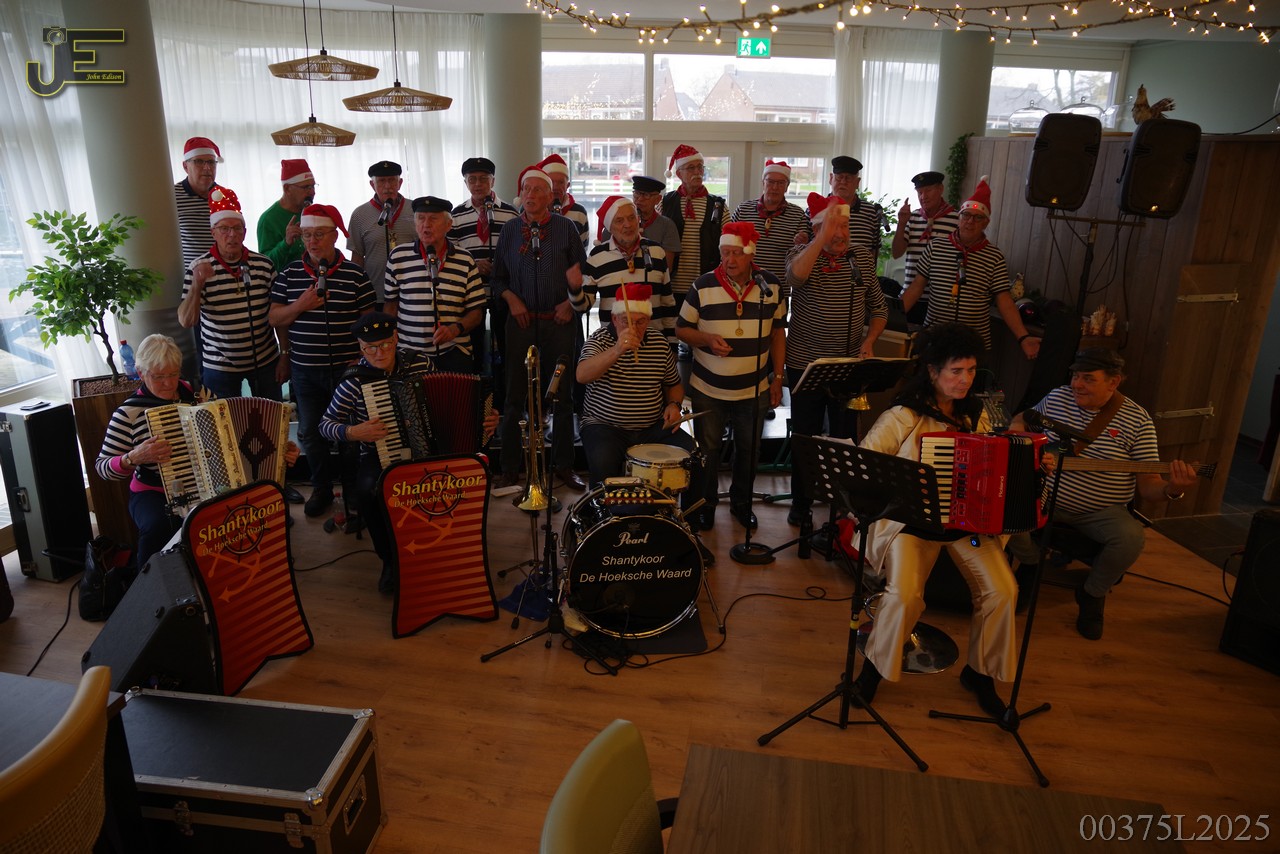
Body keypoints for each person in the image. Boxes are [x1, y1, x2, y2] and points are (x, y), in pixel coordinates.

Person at [851, 323, 1017, 720]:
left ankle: (980, 675)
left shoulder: (975, 417)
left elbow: (990, 467)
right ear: (932, 371)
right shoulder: (903, 416)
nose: (965, 380)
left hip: (964, 525)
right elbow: (864, 467)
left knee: (1003, 590)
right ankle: (871, 672)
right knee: (905, 594)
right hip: (911, 525)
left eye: (971, 370)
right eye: (956, 371)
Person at [1008, 348, 1199, 640]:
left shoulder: (1138, 421)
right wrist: (1017, 427)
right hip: (1044, 496)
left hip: (1100, 510)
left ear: (1114, 382)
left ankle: (1092, 593)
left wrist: (1174, 489)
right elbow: (1026, 416)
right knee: (1006, 507)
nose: (1076, 384)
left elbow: (1149, 486)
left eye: (1088, 379)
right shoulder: (1058, 397)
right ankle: (1031, 564)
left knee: (1131, 538)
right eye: (1075, 376)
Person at [318, 313, 497, 594]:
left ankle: (452, 548)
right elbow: (325, 425)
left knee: (469, 476)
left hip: (430, 450)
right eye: (370, 348)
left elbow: (449, 401)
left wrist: (485, 419)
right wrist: (354, 432)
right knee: (367, 491)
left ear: (396, 338)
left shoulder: (420, 362)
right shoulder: (354, 382)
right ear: (361, 348)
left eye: (385, 344)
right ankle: (390, 560)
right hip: (378, 454)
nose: (379, 353)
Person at [94, 334, 299, 570]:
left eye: (173, 374)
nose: (168, 383)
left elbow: (232, 433)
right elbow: (103, 468)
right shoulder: (128, 414)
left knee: (243, 512)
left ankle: (246, 570)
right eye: (158, 376)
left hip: (209, 485)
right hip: (154, 492)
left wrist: (278, 449)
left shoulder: (199, 395)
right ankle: (147, 582)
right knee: (157, 527)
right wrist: (133, 457)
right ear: (140, 373)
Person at [577, 285, 710, 563]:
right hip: (605, 424)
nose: (634, 327)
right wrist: (617, 350)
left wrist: (673, 405)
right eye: (627, 321)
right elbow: (582, 375)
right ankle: (603, 529)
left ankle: (689, 530)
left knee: (694, 458)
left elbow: (674, 385)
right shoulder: (599, 339)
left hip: (651, 426)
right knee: (603, 462)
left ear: (648, 321)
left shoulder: (659, 343)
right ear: (615, 319)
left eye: (640, 321)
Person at [784, 193, 888, 526]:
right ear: (817, 228)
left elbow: (879, 307)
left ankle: (841, 508)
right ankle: (801, 504)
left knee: (844, 439)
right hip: (805, 363)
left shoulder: (860, 258)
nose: (841, 233)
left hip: (847, 366)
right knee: (806, 436)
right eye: (833, 226)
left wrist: (869, 340)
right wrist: (821, 239)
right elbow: (795, 277)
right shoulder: (801, 253)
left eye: (845, 225)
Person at [675, 222, 785, 531]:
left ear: (751, 254)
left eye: (736, 253)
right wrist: (706, 340)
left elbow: (778, 334)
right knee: (707, 452)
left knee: (749, 452)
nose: (729, 260)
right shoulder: (702, 286)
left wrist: (777, 378)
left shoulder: (770, 286)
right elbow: (681, 329)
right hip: (708, 388)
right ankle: (705, 506)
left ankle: (742, 504)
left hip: (754, 389)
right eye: (725, 253)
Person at [270, 202, 376, 518]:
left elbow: (368, 321)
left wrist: (362, 360)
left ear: (334, 236)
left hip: (348, 372)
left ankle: (352, 489)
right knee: (311, 433)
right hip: (305, 370)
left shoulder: (356, 274)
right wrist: (300, 305)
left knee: (349, 433)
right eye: (306, 235)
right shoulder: (289, 275)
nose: (312, 241)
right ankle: (321, 489)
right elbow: (274, 318)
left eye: (319, 234)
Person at [491, 164, 591, 492]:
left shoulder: (566, 228)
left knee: (562, 397)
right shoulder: (509, 230)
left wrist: (569, 304)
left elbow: (583, 274)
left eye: (538, 190)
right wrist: (512, 300)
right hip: (520, 324)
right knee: (514, 396)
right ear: (520, 195)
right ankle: (509, 468)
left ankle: (563, 465)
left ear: (551, 196)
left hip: (558, 323)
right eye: (526, 189)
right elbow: (498, 279)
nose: (530, 195)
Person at [901, 177, 1040, 362]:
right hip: (935, 338)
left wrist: (1023, 337)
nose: (970, 221)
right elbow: (916, 288)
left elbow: (1004, 300)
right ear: (959, 218)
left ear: (986, 223)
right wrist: (889, 319)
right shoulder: (935, 247)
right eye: (966, 215)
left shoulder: (994, 257)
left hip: (973, 343)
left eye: (978, 217)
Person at [178, 187, 287, 400]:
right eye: (224, 229)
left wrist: (284, 354)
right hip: (219, 366)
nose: (232, 235)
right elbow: (186, 320)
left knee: (272, 415)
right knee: (225, 419)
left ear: (244, 232)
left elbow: (279, 315)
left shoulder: (263, 265)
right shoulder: (198, 267)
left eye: (237, 228)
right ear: (213, 233)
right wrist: (197, 285)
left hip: (265, 360)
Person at [385, 196, 486, 374]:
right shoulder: (398, 257)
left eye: (433, 218)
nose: (426, 225)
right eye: (421, 218)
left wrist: (456, 329)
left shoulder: (465, 259)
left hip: (454, 352)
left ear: (448, 225)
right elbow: (390, 306)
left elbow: (476, 312)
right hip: (409, 354)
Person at [450, 156, 519, 383]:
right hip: (471, 293)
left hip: (502, 292)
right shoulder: (455, 215)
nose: (478, 184)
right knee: (474, 345)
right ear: (465, 182)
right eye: (472, 179)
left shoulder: (510, 213)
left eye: (483, 179)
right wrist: (474, 265)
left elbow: (517, 252)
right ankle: (477, 390)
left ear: (493, 181)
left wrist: (499, 267)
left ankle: (505, 390)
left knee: (507, 345)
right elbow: (452, 253)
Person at [584, 195, 676, 346]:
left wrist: (672, 345)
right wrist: (574, 289)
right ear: (610, 227)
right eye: (619, 220)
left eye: (631, 218)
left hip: (654, 345)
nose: (628, 225)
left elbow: (668, 302)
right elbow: (584, 306)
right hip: (612, 346)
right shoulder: (597, 257)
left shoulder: (656, 251)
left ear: (638, 219)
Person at [729, 160, 810, 295]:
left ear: (787, 187)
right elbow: (728, 245)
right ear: (763, 183)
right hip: (742, 286)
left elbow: (801, 254)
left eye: (781, 183)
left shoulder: (798, 215)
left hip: (778, 289)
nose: (775, 187)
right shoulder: (743, 210)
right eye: (770, 182)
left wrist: (802, 243)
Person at [661, 145, 728, 305]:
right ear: (679, 174)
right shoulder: (666, 202)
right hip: (672, 284)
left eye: (700, 167)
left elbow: (727, 241)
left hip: (706, 284)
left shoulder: (718, 205)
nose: (697, 172)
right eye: (691, 168)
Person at [891, 170, 960, 325]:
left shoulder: (956, 219)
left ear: (940, 189)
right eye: (919, 192)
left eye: (928, 190)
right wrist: (901, 224)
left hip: (940, 301)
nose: (923, 197)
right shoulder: (913, 217)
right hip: (910, 298)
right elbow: (896, 253)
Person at [347, 160, 416, 306]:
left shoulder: (416, 210)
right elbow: (357, 258)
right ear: (372, 185)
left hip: (412, 292)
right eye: (381, 181)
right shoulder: (359, 215)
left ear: (400, 183)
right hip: (375, 294)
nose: (387, 186)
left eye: (392, 180)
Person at [822, 155, 886, 259]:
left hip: (861, 269)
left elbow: (874, 251)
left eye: (849, 178)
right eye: (839, 177)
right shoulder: (815, 210)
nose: (843, 182)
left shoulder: (871, 212)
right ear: (830, 178)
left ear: (857, 183)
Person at [257, 159, 317, 271]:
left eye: (313, 186)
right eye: (306, 187)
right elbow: (265, 265)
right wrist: (286, 243)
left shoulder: (313, 212)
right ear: (287, 188)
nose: (312, 192)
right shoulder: (268, 219)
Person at [174, 136, 222, 271]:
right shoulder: (172, 197)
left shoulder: (225, 196)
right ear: (185, 166)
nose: (207, 168)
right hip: (189, 275)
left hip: (224, 274)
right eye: (199, 162)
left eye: (211, 162)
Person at [537, 154, 590, 249]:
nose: (556, 187)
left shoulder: (579, 212)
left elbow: (583, 248)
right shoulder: (532, 210)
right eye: (552, 182)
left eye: (561, 182)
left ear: (567, 185)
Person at [629, 174, 681, 258]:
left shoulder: (667, 226)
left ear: (658, 199)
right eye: (637, 193)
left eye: (646, 195)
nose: (640, 199)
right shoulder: (622, 223)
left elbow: (667, 264)